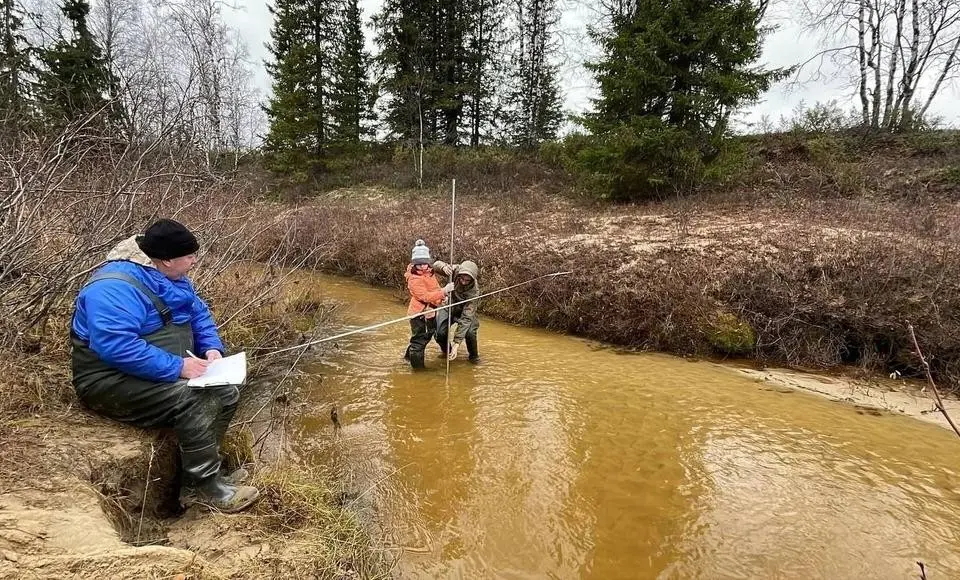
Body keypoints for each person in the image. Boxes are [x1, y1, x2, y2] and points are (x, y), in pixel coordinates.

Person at [70, 219, 259, 513]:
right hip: (107, 381)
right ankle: (203, 491)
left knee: (227, 393)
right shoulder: (112, 289)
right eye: (189, 256)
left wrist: (211, 348)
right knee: (197, 399)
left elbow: (198, 314)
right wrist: (177, 367)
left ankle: (204, 475)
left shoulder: (170, 276)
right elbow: (116, 346)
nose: (195, 260)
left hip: (149, 372)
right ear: (167, 259)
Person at [404, 240, 453, 369]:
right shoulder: (414, 278)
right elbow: (425, 296)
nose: (423, 266)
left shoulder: (429, 273)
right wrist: (444, 291)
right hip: (419, 314)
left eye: (425, 263)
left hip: (430, 311)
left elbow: (434, 290)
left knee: (425, 336)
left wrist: (442, 298)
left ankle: (407, 358)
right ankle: (418, 371)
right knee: (419, 342)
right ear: (415, 264)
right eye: (419, 264)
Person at [432, 259, 481, 363]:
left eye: (467, 280)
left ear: (472, 279)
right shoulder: (455, 270)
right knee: (440, 332)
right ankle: (447, 352)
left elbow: (467, 317)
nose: (463, 282)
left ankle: (474, 357)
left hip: (464, 310)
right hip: (448, 305)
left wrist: (456, 343)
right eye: (462, 278)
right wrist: (443, 267)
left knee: (470, 332)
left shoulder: (474, 292)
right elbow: (436, 265)